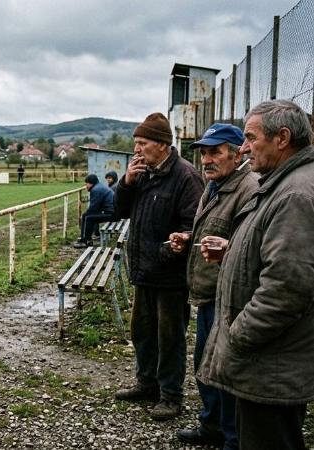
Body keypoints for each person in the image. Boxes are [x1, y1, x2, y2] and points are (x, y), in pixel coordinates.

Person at [196, 100, 314, 450]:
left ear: (282, 138)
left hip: (270, 364)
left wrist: (237, 336)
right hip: (269, 361)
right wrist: (233, 251)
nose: (244, 148)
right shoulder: (281, 183)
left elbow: (287, 287)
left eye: (250, 137)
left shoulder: (294, 194)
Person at [167, 124, 258, 449]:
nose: (206, 159)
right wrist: (189, 237)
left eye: (215, 152)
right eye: (204, 153)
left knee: (225, 372)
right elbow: (215, 231)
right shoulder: (214, 186)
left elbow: (253, 245)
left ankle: (231, 438)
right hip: (209, 294)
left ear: (237, 154)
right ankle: (212, 425)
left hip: (230, 299)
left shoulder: (249, 189)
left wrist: (226, 248)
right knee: (206, 366)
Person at [113, 112, 203, 421]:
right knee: (142, 333)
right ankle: (146, 384)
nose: (136, 149)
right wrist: (126, 183)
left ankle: (171, 396)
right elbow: (119, 210)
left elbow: (194, 226)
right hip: (144, 272)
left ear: (163, 144)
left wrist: (172, 247)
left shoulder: (186, 177)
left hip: (170, 276)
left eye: (142, 143)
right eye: (135, 143)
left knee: (170, 338)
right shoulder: (143, 174)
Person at [73, 173, 114, 248]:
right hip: (111, 211)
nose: (86, 186)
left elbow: (93, 208)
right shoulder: (99, 186)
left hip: (110, 213)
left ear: (91, 183)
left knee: (87, 217)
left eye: (86, 184)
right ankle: (86, 239)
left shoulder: (96, 190)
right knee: (87, 216)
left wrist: (85, 214)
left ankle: (85, 241)